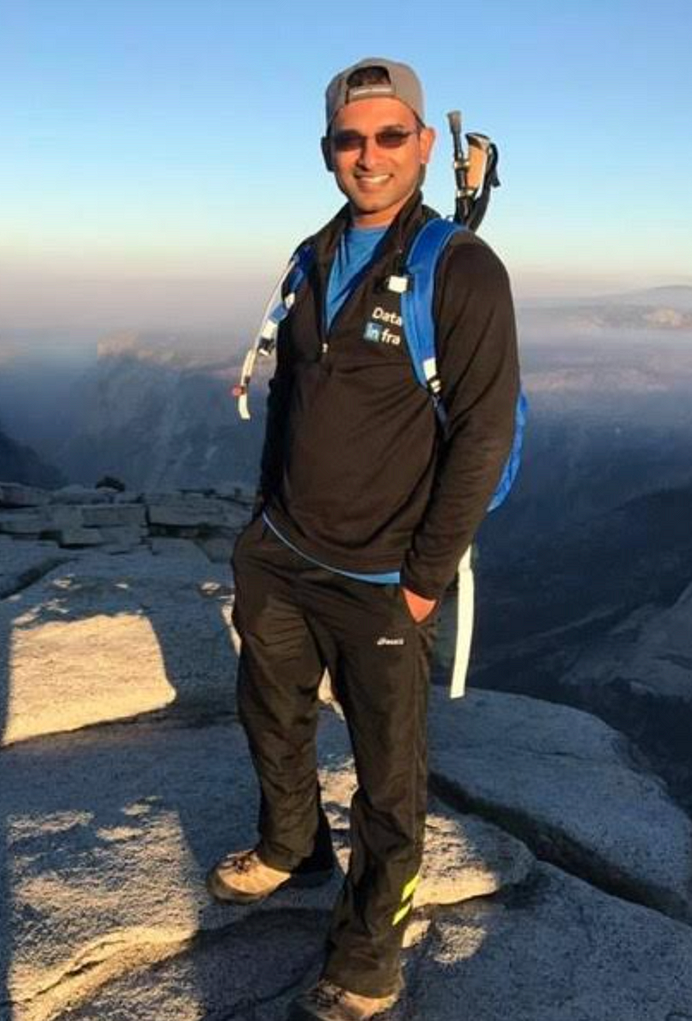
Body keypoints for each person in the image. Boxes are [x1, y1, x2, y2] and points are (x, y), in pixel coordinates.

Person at [208, 57, 520, 1021]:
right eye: (351, 139)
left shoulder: (461, 268)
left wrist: (422, 581)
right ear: (326, 153)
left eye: (391, 136)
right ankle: (293, 846)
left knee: (389, 778)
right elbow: (294, 398)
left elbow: (485, 432)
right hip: (285, 553)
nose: (370, 154)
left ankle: (367, 956)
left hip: (385, 575)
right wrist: (260, 531)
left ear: (424, 145)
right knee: (273, 713)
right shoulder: (311, 254)